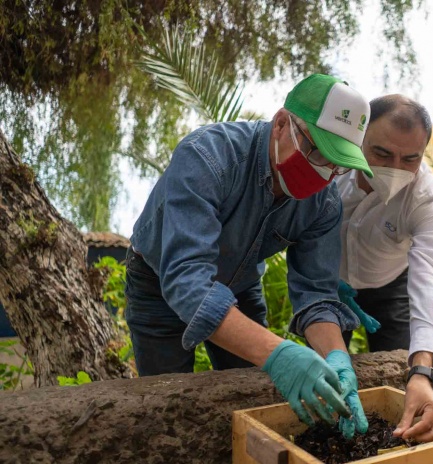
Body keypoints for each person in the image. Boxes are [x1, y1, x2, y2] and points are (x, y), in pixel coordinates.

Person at [125, 74, 373, 439]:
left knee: (251, 397)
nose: (325, 173)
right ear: (281, 124)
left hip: (240, 286)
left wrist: (337, 358)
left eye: (340, 165)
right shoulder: (207, 157)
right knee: (166, 404)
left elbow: (317, 294)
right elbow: (187, 282)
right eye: (318, 152)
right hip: (159, 284)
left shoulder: (325, 203)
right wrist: (279, 354)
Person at [335, 95, 433, 442]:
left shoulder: (426, 198)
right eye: (382, 153)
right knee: (327, 379)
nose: (395, 168)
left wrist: (422, 372)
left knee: (398, 373)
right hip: (326, 287)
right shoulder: (329, 167)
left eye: (410, 158)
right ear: (359, 138)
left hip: (389, 287)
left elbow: (429, 280)